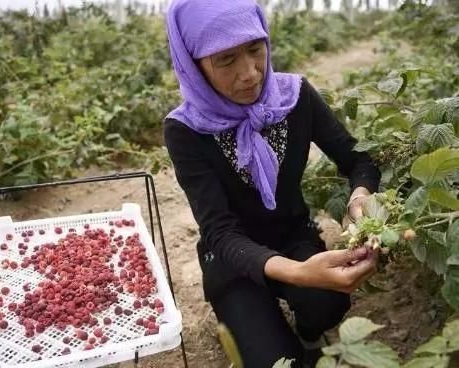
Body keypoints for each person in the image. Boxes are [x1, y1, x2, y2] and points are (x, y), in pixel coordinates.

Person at [163, 0, 381, 367]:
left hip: (293, 235)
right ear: (194, 64)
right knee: (273, 361)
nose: (250, 73)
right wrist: (299, 272)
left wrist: (359, 198)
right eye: (226, 60)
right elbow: (218, 230)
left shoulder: (294, 97)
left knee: (327, 302)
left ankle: (309, 332)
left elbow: (358, 158)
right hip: (231, 257)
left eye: (254, 49)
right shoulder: (186, 129)